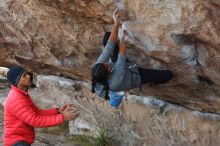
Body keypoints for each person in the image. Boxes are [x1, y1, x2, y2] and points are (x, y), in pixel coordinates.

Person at [91, 9, 173, 103]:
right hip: (134, 76)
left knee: (107, 36)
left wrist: (116, 24)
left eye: (104, 63)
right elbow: (122, 54)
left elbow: (109, 47)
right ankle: (154, 82)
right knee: (168, 75)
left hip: (118, 67)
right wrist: (123, 38)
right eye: (106, 66)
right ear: (108, 74)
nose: (106, 63)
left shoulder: (98, 69)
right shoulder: (115, 81)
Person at [4, 66, 80, 146]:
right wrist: (62, 117)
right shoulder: (16, 99)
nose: (29, 76)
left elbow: (37, 113)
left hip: (20, 141)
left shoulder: (22, 94)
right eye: (24, 76)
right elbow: (35, 120)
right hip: (16, 142)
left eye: (27, 73)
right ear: (17, 82)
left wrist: (57, 111)